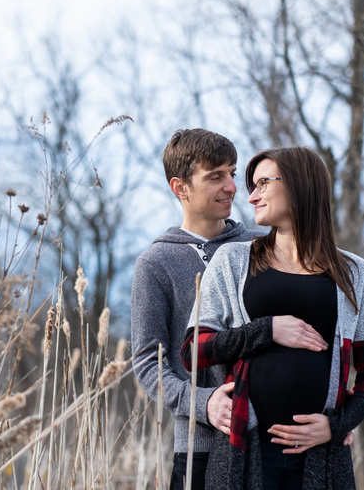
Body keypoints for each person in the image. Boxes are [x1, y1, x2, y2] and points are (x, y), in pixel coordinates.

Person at [181, 145, 364, 489]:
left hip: (321, 456)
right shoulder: (233, 261)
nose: (251, 197)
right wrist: (267, 329)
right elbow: (193, 350)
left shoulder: (354, 273)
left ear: (298, 184)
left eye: (263, 183)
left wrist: (336, 426)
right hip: (245, 449)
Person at [131, 128, 266, 489]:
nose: (233, 187)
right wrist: (203, 404)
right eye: (215, 177)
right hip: (200, 447)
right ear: (180, 188)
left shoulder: (263, 248)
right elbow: (147, 364)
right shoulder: (156, 263)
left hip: (274, 437)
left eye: (233, 174)